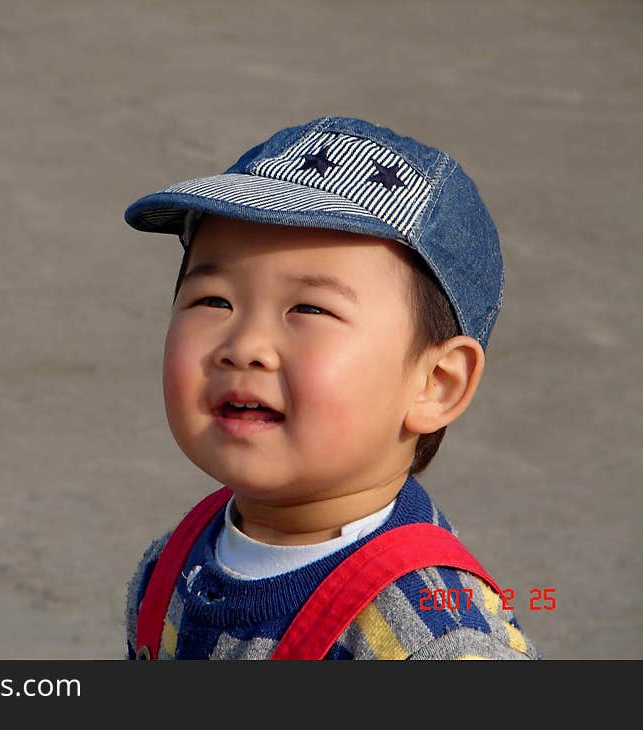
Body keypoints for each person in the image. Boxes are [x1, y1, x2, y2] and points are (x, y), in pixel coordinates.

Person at [121, 116, 541, 660]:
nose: (245, 344)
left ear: (435, 384)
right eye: (213, 301)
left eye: (310, 308)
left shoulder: (438, 641)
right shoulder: (172, 565)